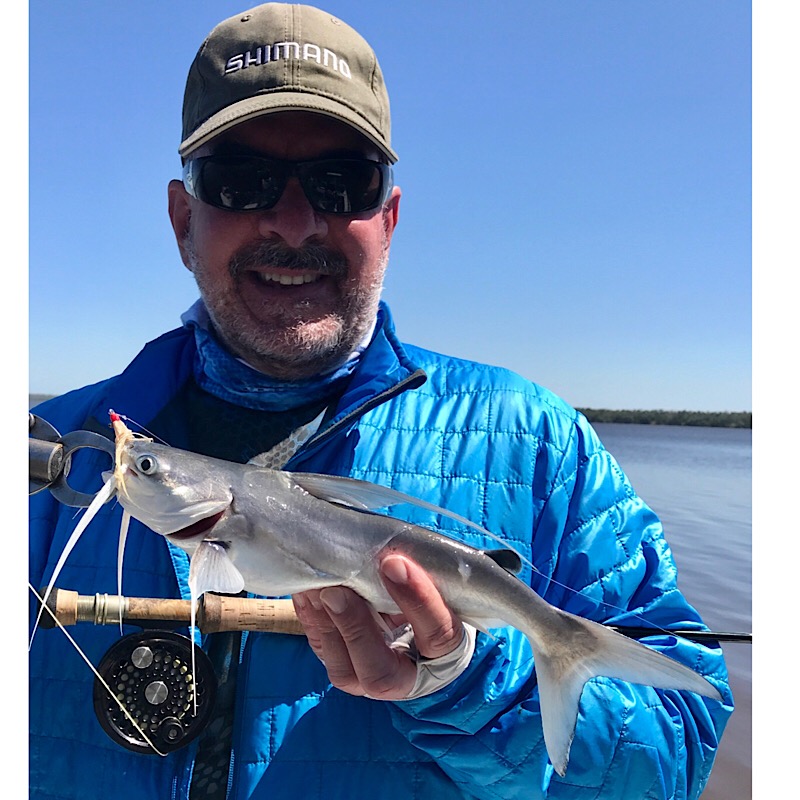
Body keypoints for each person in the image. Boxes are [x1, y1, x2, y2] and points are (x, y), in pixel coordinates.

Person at [29, 4, 732, 799]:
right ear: (183, 219)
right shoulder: (51, 454)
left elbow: (676, 751)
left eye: (342, 182)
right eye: (242, 180)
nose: (295, 223)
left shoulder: (540, 445)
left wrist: (474, 683)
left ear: (388, 219)